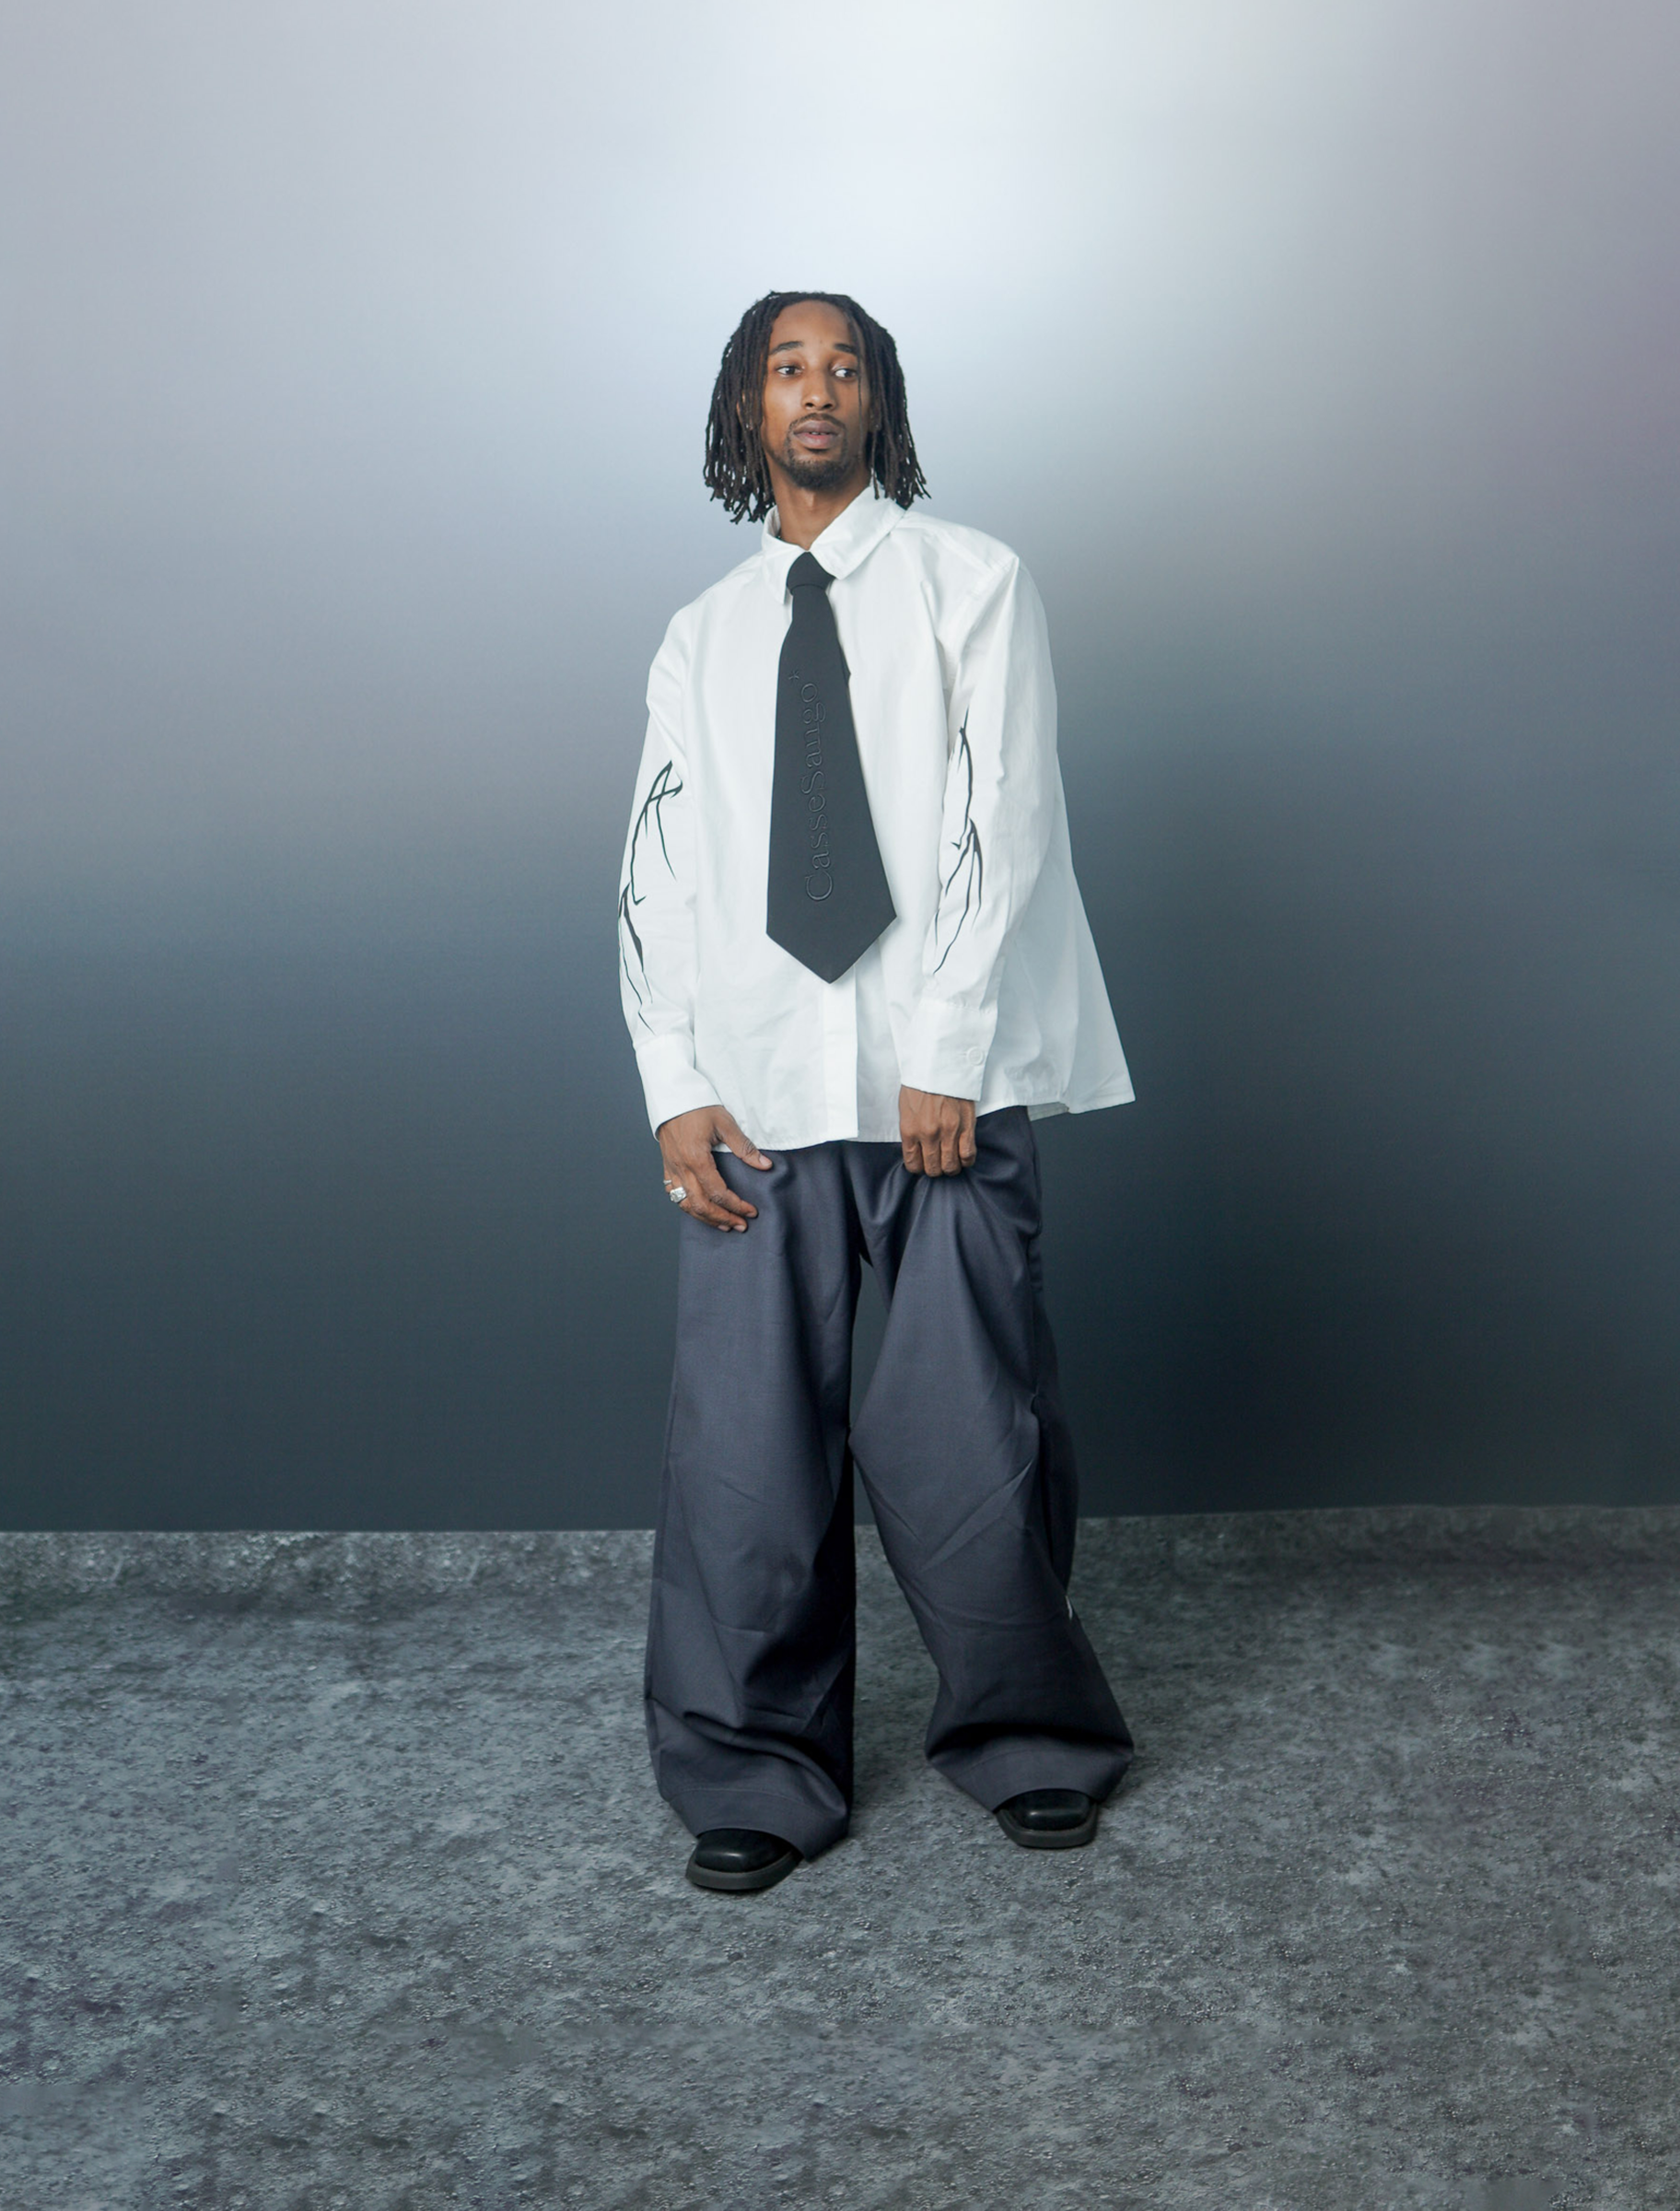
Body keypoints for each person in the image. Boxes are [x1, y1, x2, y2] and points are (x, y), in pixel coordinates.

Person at [618, 290, 1135, 1895]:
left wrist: (950, 1047)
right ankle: (755, 1772)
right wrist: (673, 1083)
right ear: (747, 409)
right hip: (759, 1094)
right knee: (745, 1462)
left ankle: (1028, 1738)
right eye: (788, 368)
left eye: (845, 367)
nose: (817, 390)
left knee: (971, 1434)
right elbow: (658, 866)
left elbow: (1003, 815)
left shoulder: (973, 584)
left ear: (880, 405)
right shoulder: (704, 635)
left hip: (936, 1098)